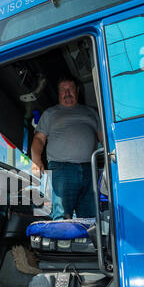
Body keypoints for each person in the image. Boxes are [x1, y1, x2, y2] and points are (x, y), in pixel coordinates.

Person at [31, 76, 103, 220]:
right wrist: (36, 160)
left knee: (90, 219)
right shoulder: (50, 113)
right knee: (62, 217)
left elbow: (103, 138)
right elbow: (39, 139)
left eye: (70, 89)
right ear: (58, 93)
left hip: (90, 169)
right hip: (62, 169)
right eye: (63, 90)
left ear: (77, 90)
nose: (67, 92)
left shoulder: (91, 112)